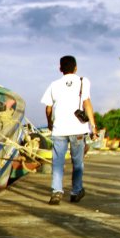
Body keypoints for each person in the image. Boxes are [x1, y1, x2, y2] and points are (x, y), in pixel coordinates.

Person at [40, 55, 97, 205]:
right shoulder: (83, 82)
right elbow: (87, 104)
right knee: (77, 162)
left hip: (59, 129)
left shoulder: (54, 85)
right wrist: (93, 126)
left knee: (57, 162)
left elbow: (48, 108)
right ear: (75, 68)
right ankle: (76, 191)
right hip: (78, 128)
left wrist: (50, 124)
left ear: (60, 69)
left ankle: (56, 192)